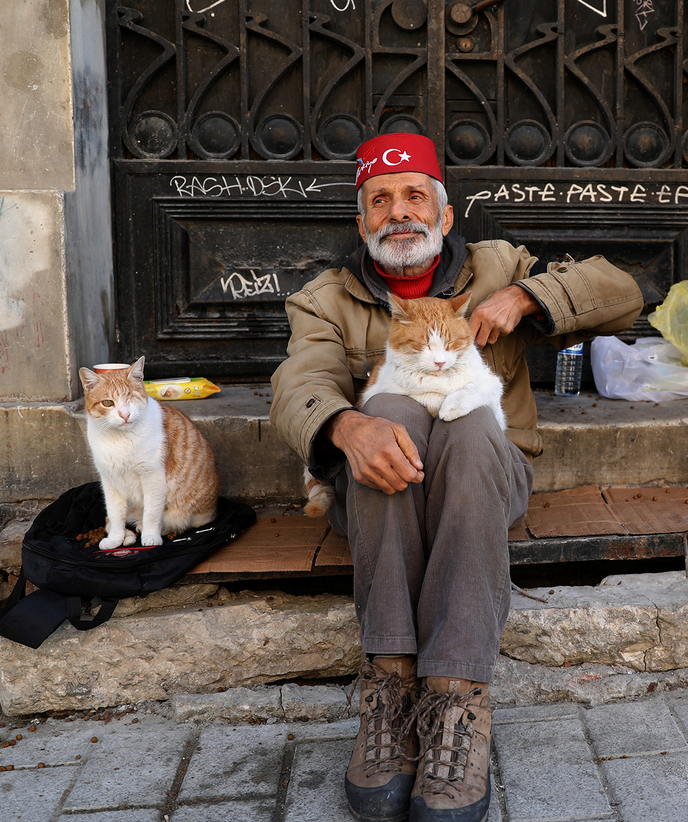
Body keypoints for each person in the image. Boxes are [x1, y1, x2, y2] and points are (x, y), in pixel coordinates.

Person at [270, 133, 643, 822]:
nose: (398, 213)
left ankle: (455, 698)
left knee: (472, 429)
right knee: (387, 412)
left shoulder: (498, 265)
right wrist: (347, 427)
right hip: (383, 489)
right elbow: (300, 382)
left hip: (486, 473)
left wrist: (530, 297)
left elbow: (623, 294)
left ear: (443, 217)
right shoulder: (323, 299)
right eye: (380, 201)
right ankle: (390, 688)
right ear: (362, 223)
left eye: (416, 196)